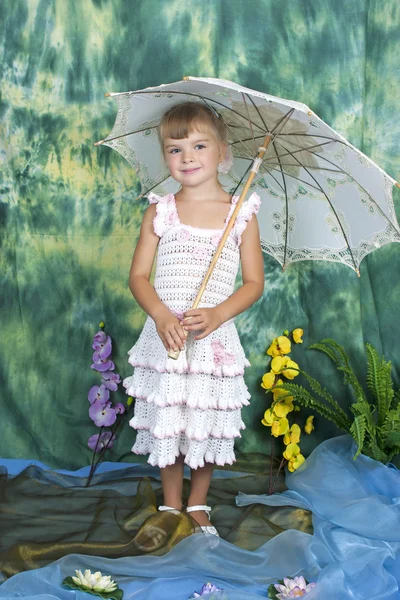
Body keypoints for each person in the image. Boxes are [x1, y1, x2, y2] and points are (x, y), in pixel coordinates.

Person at [123, 101, 264, 536]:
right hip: (166, 337)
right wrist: (161, 313)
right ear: (164, 156)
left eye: (199, 145)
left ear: (223, 153)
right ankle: (170, 503)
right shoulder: (160, 211)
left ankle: (198, 502)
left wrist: (219, 313)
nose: (187, 157)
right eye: (174, 148)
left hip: (211, 341)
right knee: (170, 417)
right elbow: (139, 276)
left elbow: (254, 283)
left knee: (203, 419)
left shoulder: (239, 213)